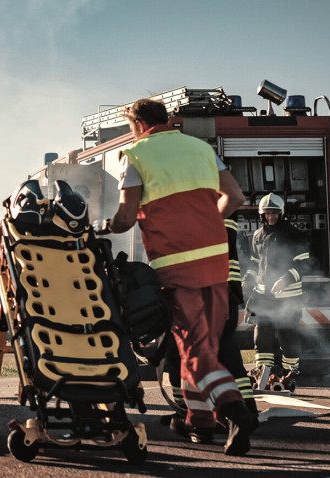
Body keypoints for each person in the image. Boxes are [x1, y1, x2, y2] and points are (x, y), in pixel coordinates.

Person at [97, 98, 258, 456]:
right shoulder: (200, 148)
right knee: (203, 348)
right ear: (166, 120)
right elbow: (234, 196)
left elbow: (124, 218)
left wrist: (101, 226)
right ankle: (198, 423)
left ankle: (234, 410)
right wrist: (209, 226)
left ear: (137, 125)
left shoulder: (136, 156)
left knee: (195, 350)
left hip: (177, 266)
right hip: (217, 262)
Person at [162, 213, 259, 443]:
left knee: (188, 354)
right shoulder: (221, 200)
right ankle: (242, 412)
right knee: (222, 350)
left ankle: (207, 420)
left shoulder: (195, 204)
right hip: (225, 291)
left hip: (200, 289)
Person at [244, 193, 311, 392]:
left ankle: (291, 374)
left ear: (281, 214)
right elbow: (255, 264)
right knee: (261, 335)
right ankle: (263, 371)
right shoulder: (257, 236)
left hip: (288, 297)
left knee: (287, 335)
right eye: (267, 213)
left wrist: (286, 279)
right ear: (261, 215)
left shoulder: (292, 234)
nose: (271, 217)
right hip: (262, 297)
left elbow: (304, 263)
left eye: (274, 213)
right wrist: (248, 278)